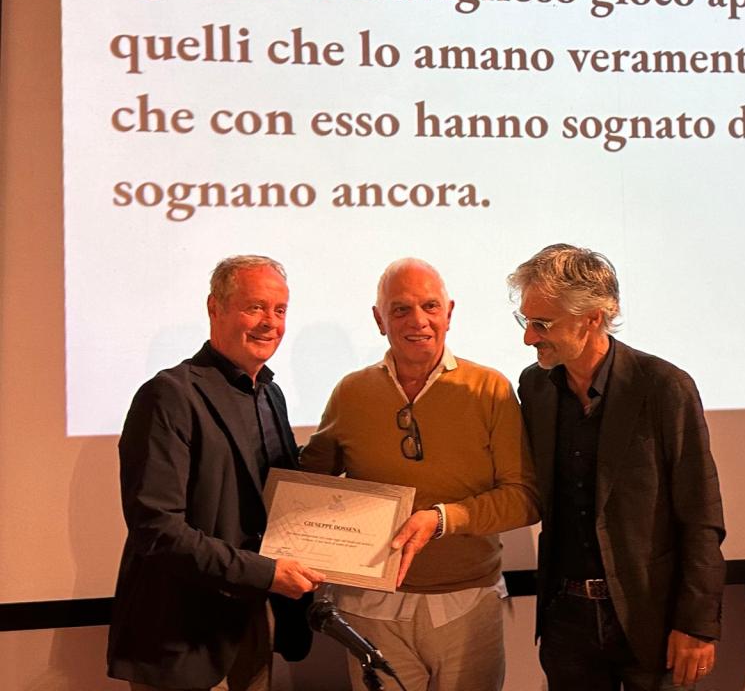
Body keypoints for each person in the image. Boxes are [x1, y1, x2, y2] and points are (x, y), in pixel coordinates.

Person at [301, 258, 540, 691]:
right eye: (400, 309)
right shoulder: (350, 392)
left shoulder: (490, 389)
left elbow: (524, 498)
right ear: (379, 319)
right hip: (370, 608)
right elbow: (306, 484)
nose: (418, 321)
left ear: (449, 312)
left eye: (430, 306)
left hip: (467, 604)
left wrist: (442, 519)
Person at [507, 244, 726, 691]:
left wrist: (697, 623)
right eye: (525, 320)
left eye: (542, 323)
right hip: (567, 623)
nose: (529, 337)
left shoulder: (663, 387)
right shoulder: (535, 386)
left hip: (651, 620)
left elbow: (700, 513)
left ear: (592, 318)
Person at [108, 255, 325, 691]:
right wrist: (266, 574)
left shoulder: (271, 394)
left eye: (280, 310)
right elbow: (157, 529)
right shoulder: (168, 395)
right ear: (215, 307)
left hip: (254, 623)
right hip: (182, 636)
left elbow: (271, 497)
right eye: (255, 307)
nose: (270, 323)